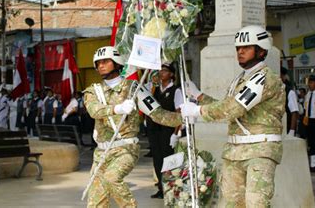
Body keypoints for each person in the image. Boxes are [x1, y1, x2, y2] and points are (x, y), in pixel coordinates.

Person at [179, 26, 285, 207]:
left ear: (260, 50)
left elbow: (233, 108)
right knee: (231, 203)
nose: (240, 51)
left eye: (246, 47)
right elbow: (227, 107)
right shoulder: (240, 79)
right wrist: (199, 97)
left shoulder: (265, 78)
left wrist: (198, 111)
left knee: (256, 203)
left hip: (259, 150)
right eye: (238, 48)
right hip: (235, 151)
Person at [83, 46, 181, 207]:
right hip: (101, 152)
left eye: (105, 61)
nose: (101, 65)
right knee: (96, 200)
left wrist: (184, 117)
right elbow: (94, 111)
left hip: (125, 149)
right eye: (98, 63)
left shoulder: (134, 89)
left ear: (117, 63)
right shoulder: (93, 91)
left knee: (112, 178)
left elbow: (158, 114)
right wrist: (117, 108)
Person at [147, 62, 183, 199]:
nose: (161, 73)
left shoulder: (176, 90)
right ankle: (162, 189)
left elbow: (178, 113)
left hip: (167, 131)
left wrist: (176, 133)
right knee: (157, 160)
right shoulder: (155, 89)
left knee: (168, 160)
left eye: (165, 70)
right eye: (160, 70)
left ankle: (171, 188)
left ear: (172, 74)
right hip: (154, 129)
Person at [280, 67, 299, 136]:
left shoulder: (290, 92)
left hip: (287, 127)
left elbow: (294, 112)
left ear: (283, 77)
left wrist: (292, 130)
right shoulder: (274, 91)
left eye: (280, 76)